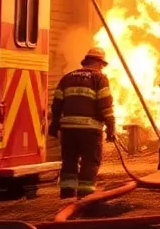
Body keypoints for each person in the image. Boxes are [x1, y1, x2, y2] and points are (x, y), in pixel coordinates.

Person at [48, 47, 117, 199]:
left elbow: (57, 104)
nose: (101, 68)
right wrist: (111, 127)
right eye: (102, 65)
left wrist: (54, 124)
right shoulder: (99, 78)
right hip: (90, 129)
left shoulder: (67, 77)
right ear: (99, 63)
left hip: (68, 129)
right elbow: (105, 105)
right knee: (89, 161)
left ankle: (66, 194)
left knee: (69, 160)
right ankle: (85, 197)